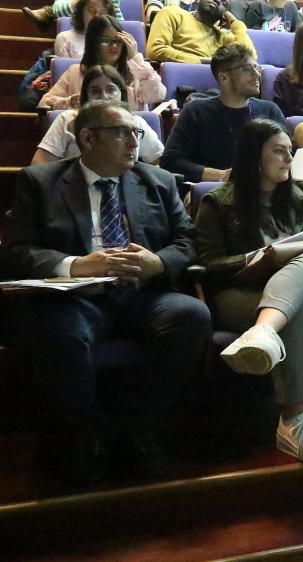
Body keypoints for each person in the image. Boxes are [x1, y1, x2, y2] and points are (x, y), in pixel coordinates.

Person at [0, 100, 212, 483]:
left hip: (141, 294)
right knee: (58, 330)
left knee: (192, 315)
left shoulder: (158, 182)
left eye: (137, 133)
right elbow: (15, 251)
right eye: (123, 133)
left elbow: (188, 240)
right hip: (76, 298)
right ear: (87, 138)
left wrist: (158, 263)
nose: (135, 141)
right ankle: (84, 435)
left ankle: (137, 426)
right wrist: (76, 265)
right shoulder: (41, 182)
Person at [194, 119, 303, 463]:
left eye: (290, 151)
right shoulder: (218, 202)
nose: (289, 159)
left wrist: (285, 253)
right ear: (254, 157)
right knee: (295, 312)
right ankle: (294, 422)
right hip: (242, 294)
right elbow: (209, 264)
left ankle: (263, 332)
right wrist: (256, 260)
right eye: (279, 151)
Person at [161, 44, 285, 182]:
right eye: (247, 69)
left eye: (257, 67)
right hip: (213, 192)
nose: (256, 74)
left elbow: (289, 156)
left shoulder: (270, 111)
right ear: (224, 78)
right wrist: (221, 176)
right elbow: (170, 161)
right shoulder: (195, 112)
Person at [34, 66, 164, 165]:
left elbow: (160, 163)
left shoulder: (136, 123)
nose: (103, 96)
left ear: (121, 94)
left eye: (111, 90)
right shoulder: (67, 119)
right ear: (86, 96)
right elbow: (39, 165)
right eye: (95, 91)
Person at [40, 15, 165, 111]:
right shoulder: (75, 71)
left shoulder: (135, 73)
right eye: (106, 40)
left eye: (118, 41)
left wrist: (136, 58)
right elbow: (44, 103)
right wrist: (70, 102)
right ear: (93, 43)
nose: (114, 46)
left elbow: (158, 95)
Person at [147, 0, 257, 63]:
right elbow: (156, 50)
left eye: (224, 3)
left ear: (224, 14)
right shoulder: (172, 13)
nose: (218, 0)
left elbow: (248, 58)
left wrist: (235, 22)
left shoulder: (223, 36)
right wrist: (204, 62)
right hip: (179, 86)